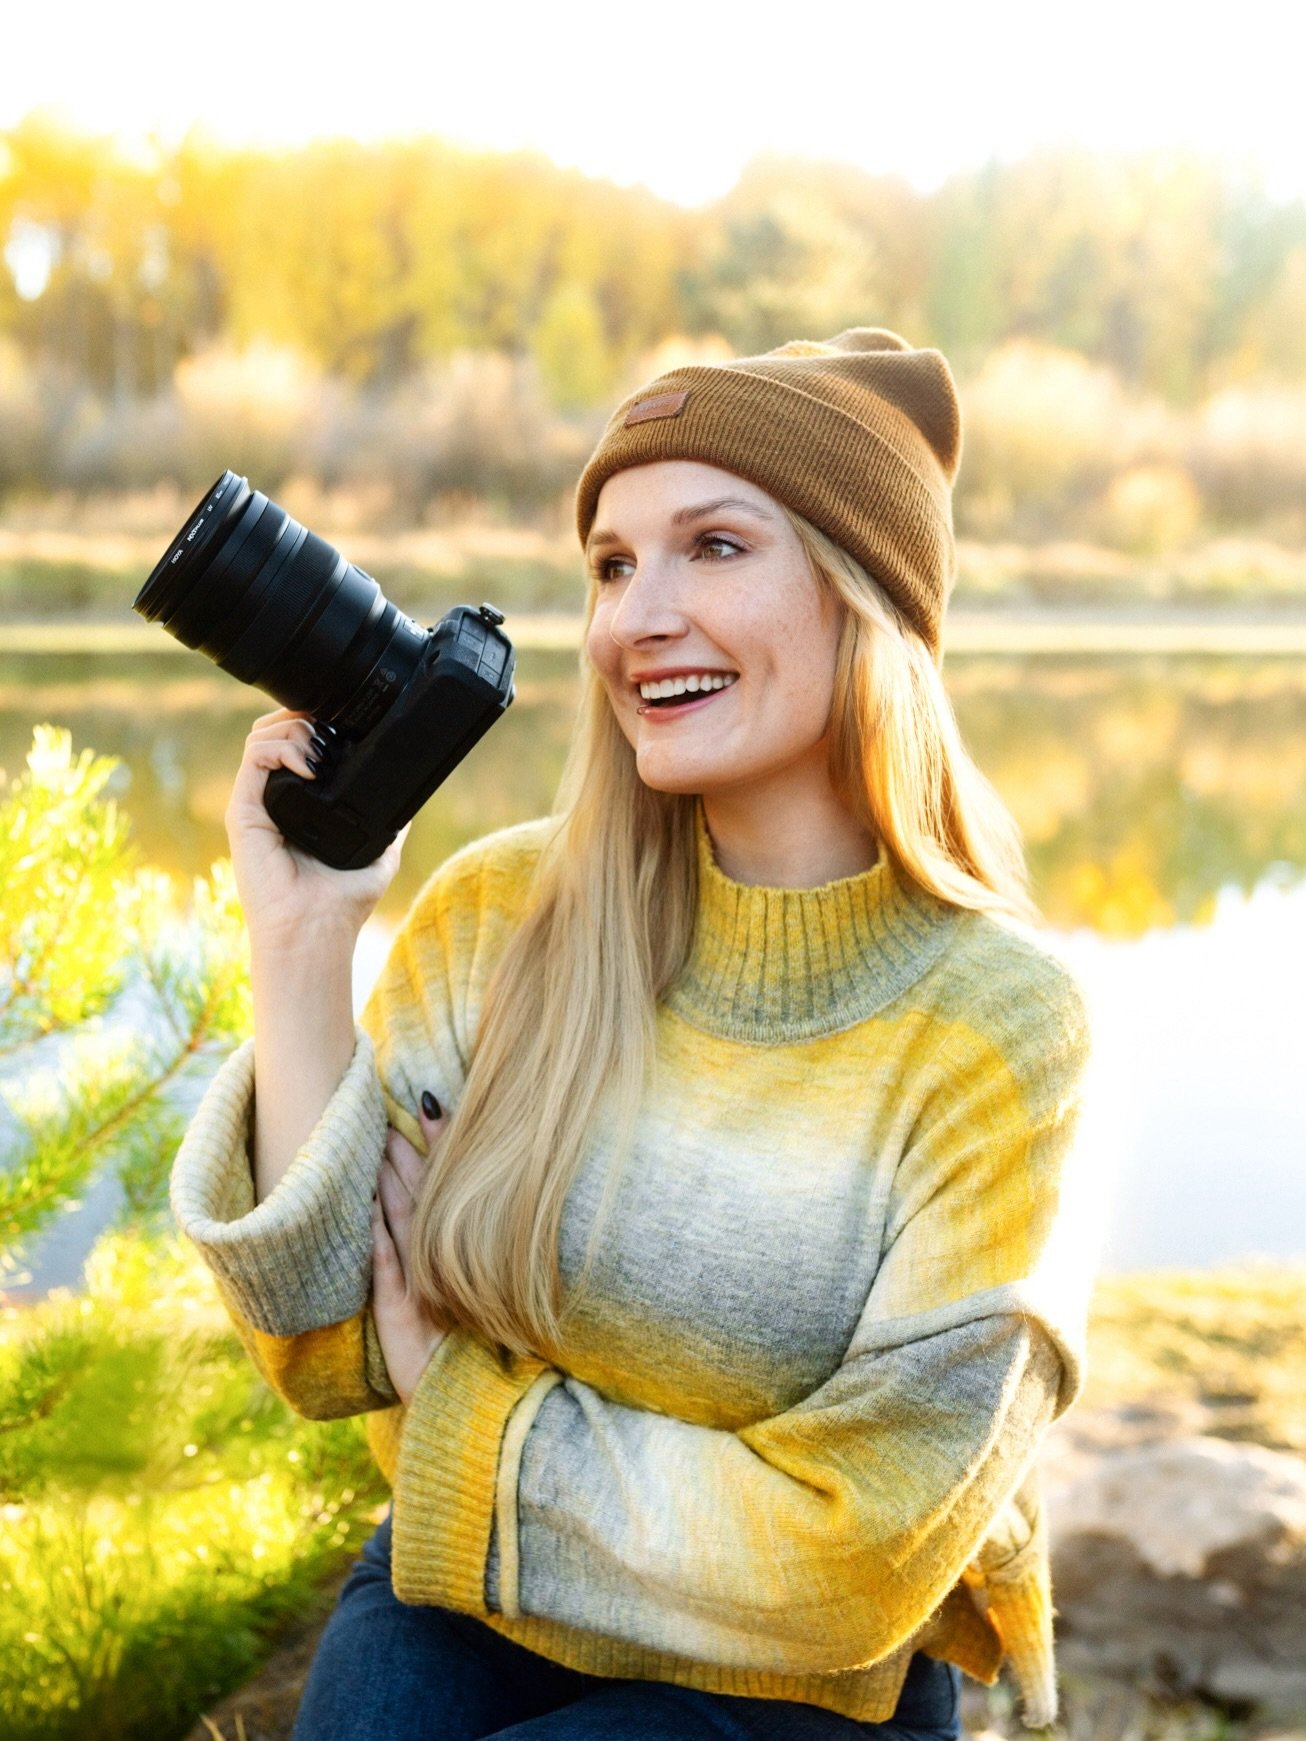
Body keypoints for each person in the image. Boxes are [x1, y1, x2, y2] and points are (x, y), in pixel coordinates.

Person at [171, 328, 1094, 1741]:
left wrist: (457, 1399)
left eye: (712, 547)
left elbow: (858, 1557)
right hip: (470, 1598)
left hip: (799, 1688)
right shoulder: (502, 915)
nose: (633, 617)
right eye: (610, 563)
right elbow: (324, 1333)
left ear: (866, 597)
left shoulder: (997, 1025)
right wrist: (304, 942)